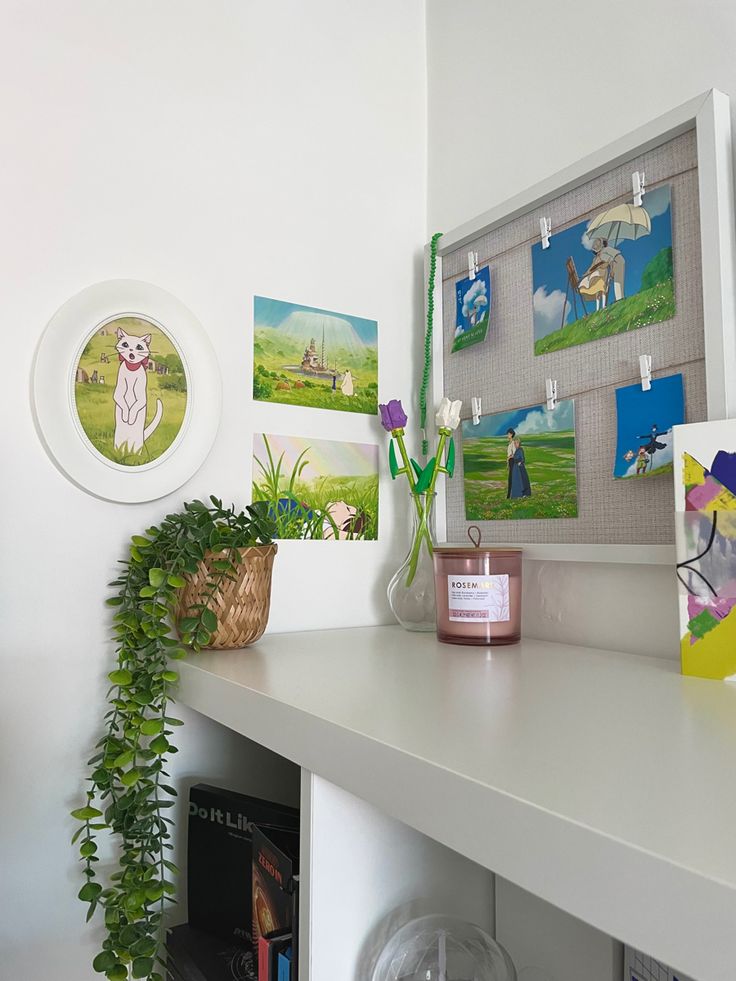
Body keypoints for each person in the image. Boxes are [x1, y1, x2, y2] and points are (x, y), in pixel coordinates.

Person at [505, 428, 516, 498]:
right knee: (510, 478)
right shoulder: (509, 443)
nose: (507, 435)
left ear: (511, 434)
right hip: (510, 461)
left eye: (508, 434)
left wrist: (509, 458)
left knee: (511, 478)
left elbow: (514, 453)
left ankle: (510, 495)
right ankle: (509, 495)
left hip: (512, 461)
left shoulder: (513, 443)